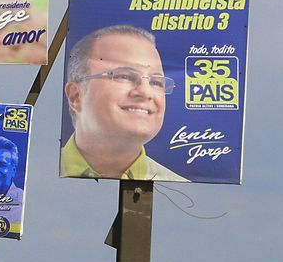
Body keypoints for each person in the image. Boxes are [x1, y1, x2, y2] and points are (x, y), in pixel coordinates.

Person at [62, 25, 188, 181]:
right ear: (76, 96)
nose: (146, 92)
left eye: (156, 82)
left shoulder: (181, 186)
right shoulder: (38, 176)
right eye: (125, 76)